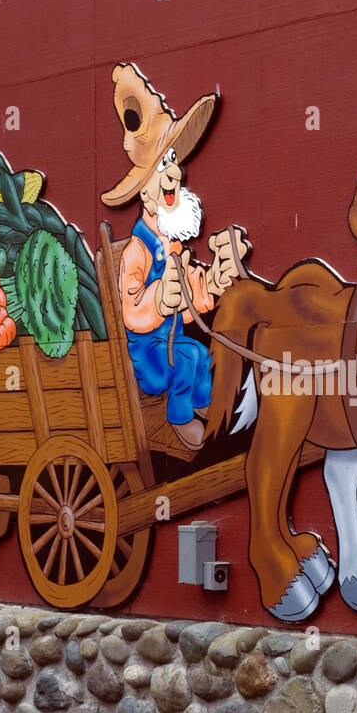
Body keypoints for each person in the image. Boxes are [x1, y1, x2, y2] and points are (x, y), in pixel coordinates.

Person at [100, 64, 246, 450]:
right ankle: (179, 420)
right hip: (146, 356)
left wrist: (213, 280)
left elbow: (188, 303)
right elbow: (130, 309)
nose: (175, 176)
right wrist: (158, 301)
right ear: (145, 191)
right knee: (185, 361)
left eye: (174, 163)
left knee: (198, 353)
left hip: (172, 343)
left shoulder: (173, 246)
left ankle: (204, 408)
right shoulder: (137, 250)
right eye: (164, 167)